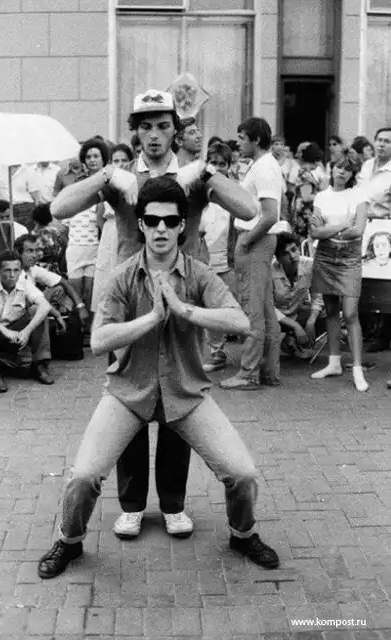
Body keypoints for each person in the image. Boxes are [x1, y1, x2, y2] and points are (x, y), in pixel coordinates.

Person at [37, 178, 279, 579]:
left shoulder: (199, 274)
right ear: (142, 224)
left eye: (170, 221)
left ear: (182, 225)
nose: (161, 229)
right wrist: (151, 319)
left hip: (186, 392)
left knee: (243, 473)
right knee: (83, 477)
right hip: (128, 392)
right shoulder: (122, 276)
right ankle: (69, 540)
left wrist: (185, 311)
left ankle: (243, 533)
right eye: (152, 221)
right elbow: (98, 340)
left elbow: (239, 321)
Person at [50, 88, 257, 540]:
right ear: (136, 132)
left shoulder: (191, 175)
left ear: (175, 130)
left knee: (178, 399)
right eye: (146, 127)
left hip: (185, 291)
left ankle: (173, 503)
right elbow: (59, 208)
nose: (155, 135)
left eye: (164, 126)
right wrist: (107, 173)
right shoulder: (123, 176)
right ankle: (131, 504)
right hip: (130, 296)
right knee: (130, 395)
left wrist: (208, 173)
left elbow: (249, 209)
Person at [220, 117, 283, 391]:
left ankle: (248, 372)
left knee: (251, 307)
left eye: (242, 138)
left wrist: (246, 241)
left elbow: (270, 215)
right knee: (265, 307)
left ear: (256, 140)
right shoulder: (262, 165)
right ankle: (269, 370)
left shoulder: (264, 168)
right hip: (258, 240)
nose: (238, 143)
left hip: (254, 240)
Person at [309, 152, 369, 392]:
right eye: (339, 167)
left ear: (353, 173)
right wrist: (343, 226)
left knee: (351, 313)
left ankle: (357, 368)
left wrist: (328, 230)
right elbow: (314, 233)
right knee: (331, 310)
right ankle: (334, 363)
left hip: (349, 258)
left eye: (347, 168)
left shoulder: (358, 195)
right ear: (332, 168)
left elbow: (359, 230)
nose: (342, 172)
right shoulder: (321, 196)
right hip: (324, 257)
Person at [0, 250, 53, 392]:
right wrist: (5, 331)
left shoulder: (23, 282)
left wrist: (26, 331)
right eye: (7, 270)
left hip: (17, 331)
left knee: (38, 310)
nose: (12, 275)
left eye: (16, 270)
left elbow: (45, 306)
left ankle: (39, 364)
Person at [200, 142, 238, 372]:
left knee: (233, 306)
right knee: (209, 307)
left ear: (229, 166)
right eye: (213, 163)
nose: (217, 167)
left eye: (222, 164)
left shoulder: (234, 191)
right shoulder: (200, 190)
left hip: (230, 259)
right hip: (205, 257)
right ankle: (216, 352)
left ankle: (253, 353)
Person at [65, 138, 109, 332]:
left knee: (92, 292)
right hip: (76, 246)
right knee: (76, 292)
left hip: (97, 246)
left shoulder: (109, 183)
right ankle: (76, 332)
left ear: (103, 158)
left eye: (96, 156)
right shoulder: (79, 184)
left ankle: (92, 331)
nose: (92, 160)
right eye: (89, 156)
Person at [91, 144, 133, 314]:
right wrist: (109, 234)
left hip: (129, 232)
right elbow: (99, 218)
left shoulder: (134, 183)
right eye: (116, 160)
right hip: (110, 232)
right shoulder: (107, 186)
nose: (120, 164)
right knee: (107, 272)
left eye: (124, 160)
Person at [272, 232, 324, 358]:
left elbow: (318, 297)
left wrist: (311, 322)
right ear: (278, 258)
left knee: (327, 311)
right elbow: (267, 306)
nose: (292, 256)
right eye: (285, 254)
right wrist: (296, 327)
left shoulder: (310, 265)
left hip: (296, 313)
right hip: (274, 318)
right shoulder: (269, 270)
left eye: (294, 250)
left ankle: (290, 341)